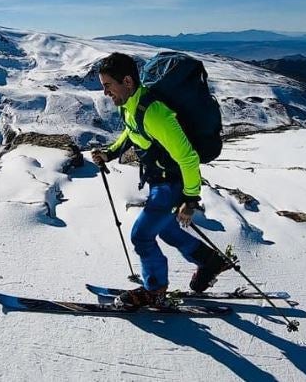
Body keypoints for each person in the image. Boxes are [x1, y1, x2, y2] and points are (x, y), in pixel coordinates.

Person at [91, 52, 231, 308]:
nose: (105, 92)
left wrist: (190, 199)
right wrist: (110, 152)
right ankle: (208, 261)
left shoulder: (155, 113)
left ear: (127, 81)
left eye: (108, 85)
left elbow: (187, 157)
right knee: (165, 229)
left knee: (141, 236)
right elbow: (131, 131)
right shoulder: (131, 106)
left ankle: (154, 290)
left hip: (172, 184)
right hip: (159, 182)